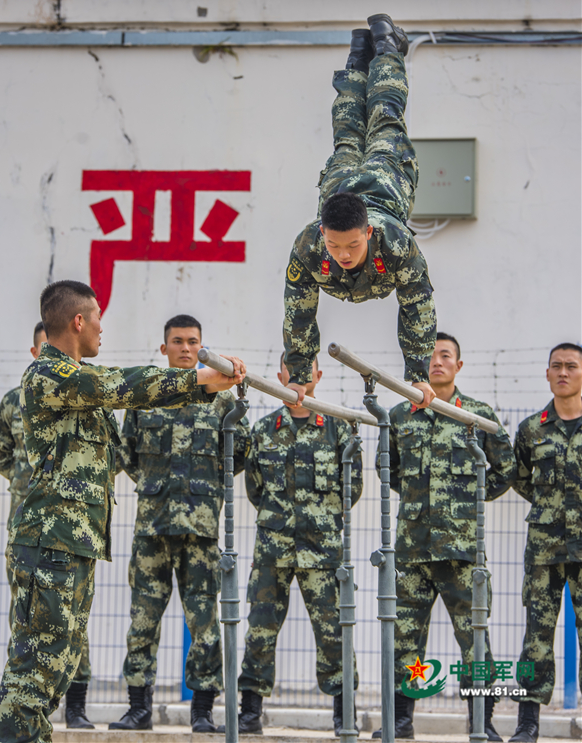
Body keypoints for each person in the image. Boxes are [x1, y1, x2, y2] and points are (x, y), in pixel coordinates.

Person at [0, 281, 245, 743]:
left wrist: (206, 389)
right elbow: (123, 385)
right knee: (36, 664)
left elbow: (125, 403)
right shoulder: (49, 375)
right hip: (49, 545)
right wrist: (198, 380)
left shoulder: (79, 380)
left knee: (57, 662)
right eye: (98, 318)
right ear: (78, 321)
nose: (102, 328)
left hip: (73, 545)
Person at [283, 14, 436, 411]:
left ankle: (373, 50)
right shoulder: (309, 246)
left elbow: (417, 303)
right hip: (342, 187)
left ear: (368, 234)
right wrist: (298, 373)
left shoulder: (396, 245)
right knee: (366, 125)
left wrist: (418, 372)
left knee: (369, 123)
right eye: (335, 247)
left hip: (385, 179)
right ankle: (372, 50)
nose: (343, 255)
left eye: (352, 246)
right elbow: (299, 311)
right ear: (323, 233)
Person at [110, 315, 251, 734]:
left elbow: (240, 452)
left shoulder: (220, 400)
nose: (185, 348)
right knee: (142, 621)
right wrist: (156, 487)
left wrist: (204, 490)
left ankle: (202, 712)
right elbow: (127, 453)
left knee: (204, 623)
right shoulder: (145, 399)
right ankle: (138, 709)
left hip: (201, 531)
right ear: (164, 348)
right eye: (177, 341)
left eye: (192, 341)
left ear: (202, 347)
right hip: (152, 529)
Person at [373, 333, 516, 741]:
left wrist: (466, 502)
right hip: (413, 550)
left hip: (462, 551)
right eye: (429, 356)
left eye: (445, 355)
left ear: (458, 365)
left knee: (475, 639)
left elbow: (505, 469)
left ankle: (481, 722)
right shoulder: (399, 416)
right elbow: (389, 469)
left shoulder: (477, 415)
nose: (437, 362)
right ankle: (400, 721)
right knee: (404, 638)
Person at [232, 355, 362, 737]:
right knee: (260, 629)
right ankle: (250, 712)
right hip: (272, 548)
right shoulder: (264, 429)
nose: (300, 375)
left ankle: (344, 714)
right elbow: (255, 487)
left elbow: (352, 487)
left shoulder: (338, 429)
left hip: (322, 550)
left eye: (307, 368)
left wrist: (320, 518)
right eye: (292, 367)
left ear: (318, 375)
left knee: (334, 632)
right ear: (280, 376)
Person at [0, 321, 96, 730]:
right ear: (37, 353)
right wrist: (30, 484)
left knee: (70, 624)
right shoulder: (14, 400)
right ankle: (19, 719)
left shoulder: (84, 394)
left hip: (70, 530)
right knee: (29, 621)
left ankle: (75, 707)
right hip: (29, 527)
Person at [508, 343, 582, 743]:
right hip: (544, 549)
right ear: (548, 373)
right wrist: (550, 509)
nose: (563, 372)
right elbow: (521, 479)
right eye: (557, 366)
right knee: (535, 637)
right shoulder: (530, 430)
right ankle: (527, 723)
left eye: (571, 366)